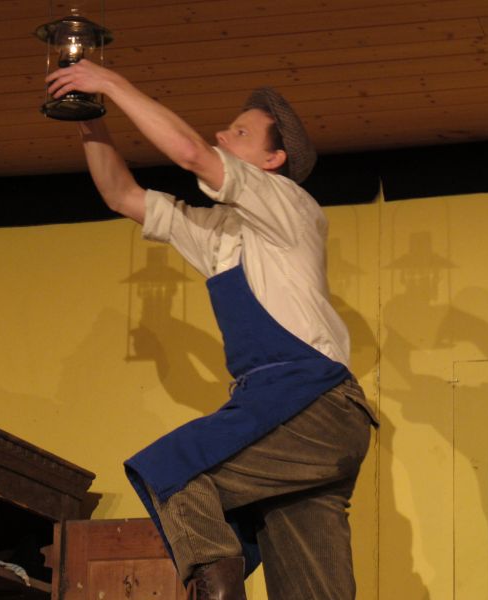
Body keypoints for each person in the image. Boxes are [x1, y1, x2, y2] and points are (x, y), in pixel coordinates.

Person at [47, 61, 379, 600]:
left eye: (240, 133)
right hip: (298, 415)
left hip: (311, 404)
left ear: (273, 160)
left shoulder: (288, 204)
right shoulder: (221, 232)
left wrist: (110, 82)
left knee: (171, 470)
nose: (223, 135)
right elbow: (121, 195)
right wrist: (89, 116)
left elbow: (189, 152)